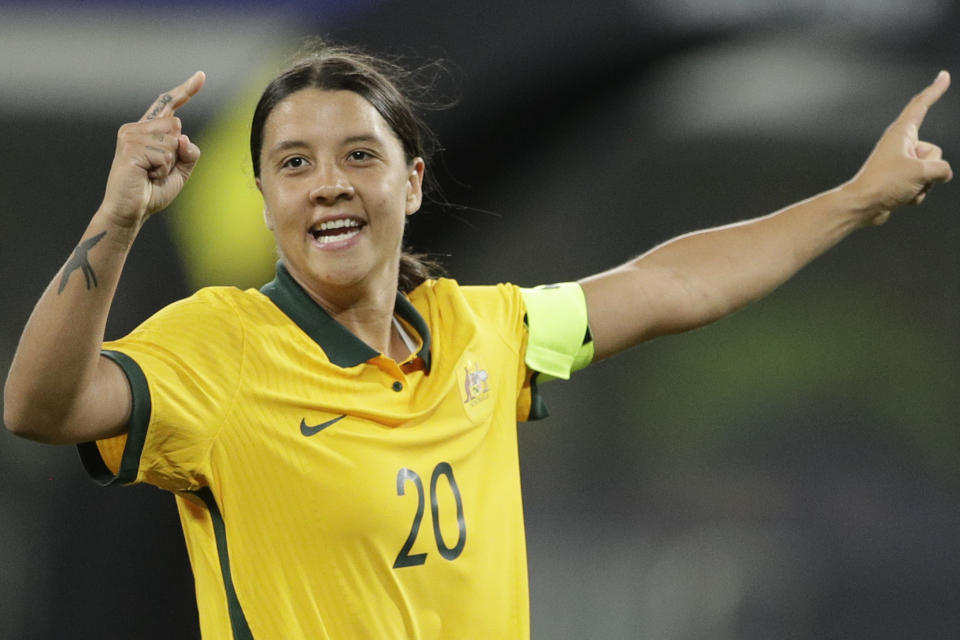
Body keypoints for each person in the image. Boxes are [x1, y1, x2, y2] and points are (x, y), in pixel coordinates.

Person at [2, 41, 952, 639]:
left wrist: (857, 199)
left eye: (358, 156)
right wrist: (119, 219)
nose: (327, 183)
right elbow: (39, 409)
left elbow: (670, 284)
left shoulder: (481, 331)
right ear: (265, 202)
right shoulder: (220, 347)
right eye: (293, 164)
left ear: (411, 184)